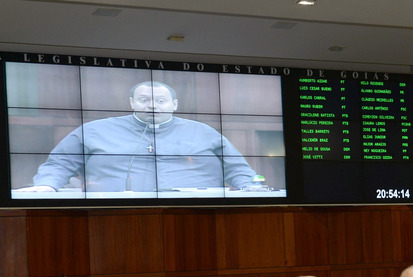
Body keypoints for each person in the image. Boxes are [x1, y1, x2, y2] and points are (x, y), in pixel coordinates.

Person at [20, 81, 263, 193]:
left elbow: (238, 170)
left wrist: (249, 187)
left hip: (197, 213)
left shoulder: (204, 132)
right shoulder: (93, 131)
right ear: (132, 103)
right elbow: (60, 164)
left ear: (174, 104)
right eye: (144, 100)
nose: (152, 106)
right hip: (109, 213)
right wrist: (47, 185)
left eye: (160, 100)